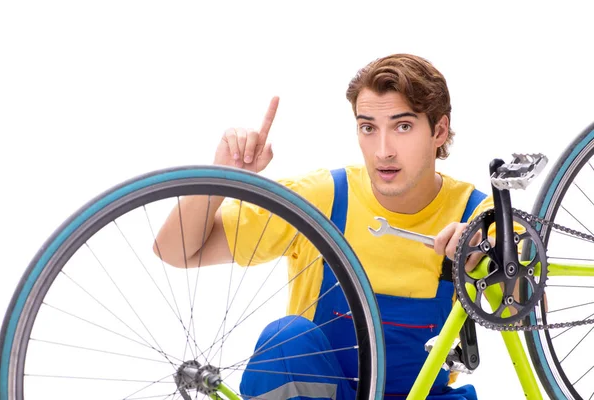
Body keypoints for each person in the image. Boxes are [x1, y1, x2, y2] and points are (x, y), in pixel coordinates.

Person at [153, 53, 494, 399]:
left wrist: (485, 256)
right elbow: (175, 250)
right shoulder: (322, 200)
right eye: (368, 128)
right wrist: (222, 176)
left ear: (439, 130)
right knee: (285, 338)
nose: (383, 151)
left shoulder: (477, 212)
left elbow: (522, 303)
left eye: (402, 126)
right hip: (321, 394)